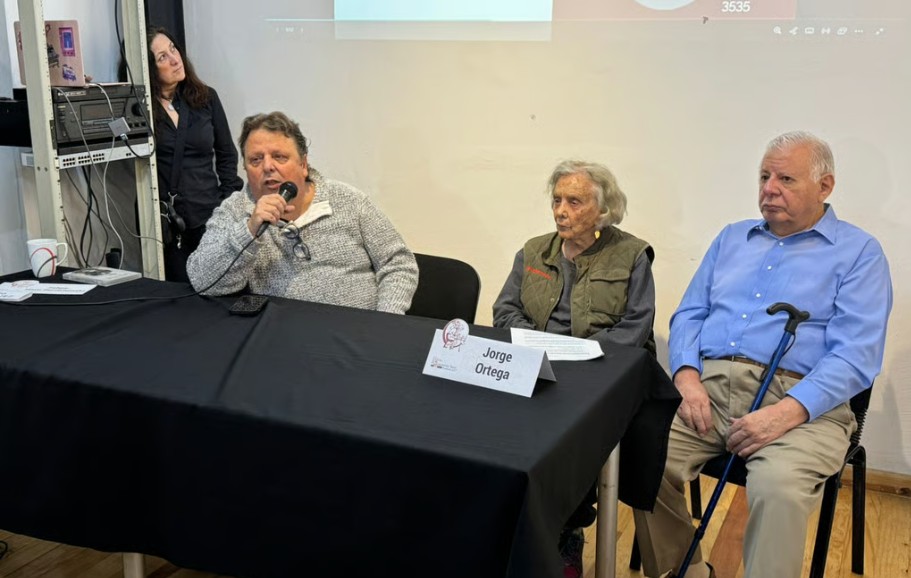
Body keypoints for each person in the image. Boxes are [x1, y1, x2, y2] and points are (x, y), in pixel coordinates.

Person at [633, 131, 892, 578]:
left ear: (824, 187)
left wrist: (785, 414)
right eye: (764, 175)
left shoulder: (859, 253)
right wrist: (687, 377)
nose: (769, 188)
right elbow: (690, 314)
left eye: (786, 178)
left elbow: (855, 356)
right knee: (639, 451)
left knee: (777, 488)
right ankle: (685, 572)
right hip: (707, 392)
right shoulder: (732, 238)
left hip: (804, 404)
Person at [492, 159, 656, 577]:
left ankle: (566, 532)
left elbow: (635, 328)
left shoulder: (631, 255)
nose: (561, 210)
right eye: (557, 200)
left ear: (602, 210)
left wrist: (578, 355)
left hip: (599, 376)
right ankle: (511, 532)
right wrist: (537, 346)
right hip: (537, 366)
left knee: (566, 438)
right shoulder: (533, 251)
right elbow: (505, 310)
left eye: (574, 201)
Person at [186, 111, 418, 314]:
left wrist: (386, 320)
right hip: (282, 338)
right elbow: (204, 282)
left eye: (279, 157)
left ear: (303, 164)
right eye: (256, 160)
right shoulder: (235, 211)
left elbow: (397, 263)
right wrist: (249, 231)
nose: (267, 167)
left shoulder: (349, 200)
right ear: (246, 169)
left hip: (358, 334)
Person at [147, 27, 244, 282]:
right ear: (149, 69)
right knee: (178, 300)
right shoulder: (142, 109)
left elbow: (226, 154)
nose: (174, 59)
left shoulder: (205, 97)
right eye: (162, 58)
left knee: (218, 288)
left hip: (210, 217)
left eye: (173, 49)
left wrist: (225, 202)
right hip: (166, 226)